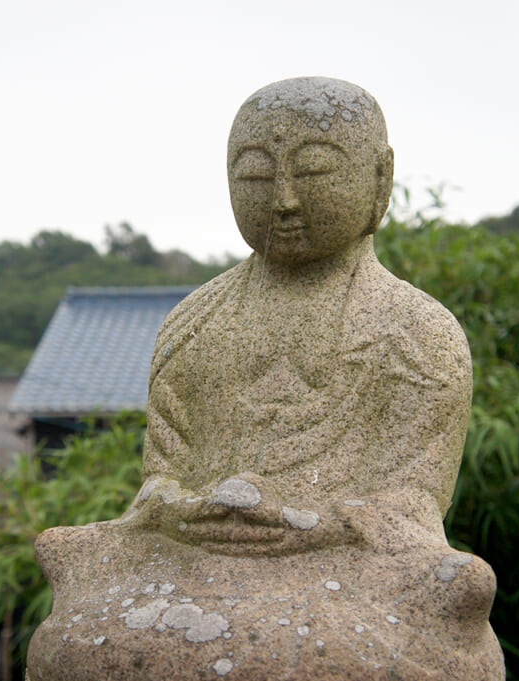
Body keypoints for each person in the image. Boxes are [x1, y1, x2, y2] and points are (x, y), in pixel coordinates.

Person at [114, 77, 473, 557]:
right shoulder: (191, 325)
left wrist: (315, 525)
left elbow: (412, 504)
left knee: (456, 583)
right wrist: (182, 508)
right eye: (255, 176)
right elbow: (159, 484)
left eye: (315, 171)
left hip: (349, 567)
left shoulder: (421, 333)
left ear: (380, 178)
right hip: (198, 556)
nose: (283, 200)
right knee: (70, 551)